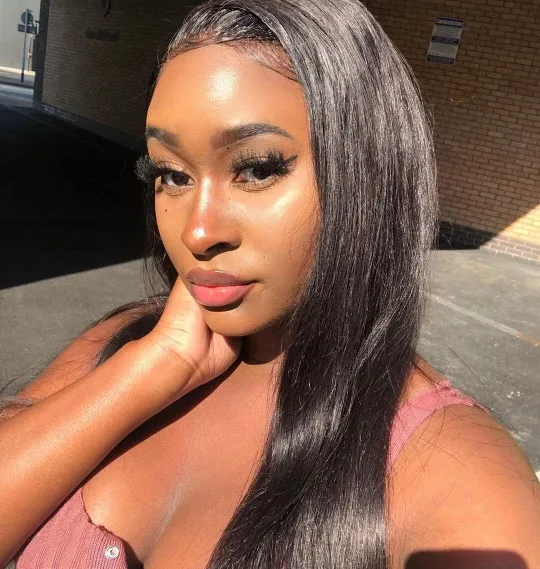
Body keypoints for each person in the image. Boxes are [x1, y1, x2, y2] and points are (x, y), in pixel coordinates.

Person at [1, 1, 539, 568]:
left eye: (256, 168)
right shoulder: (124, 346)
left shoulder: (453, 472)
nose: (197, 232)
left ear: (368, 172)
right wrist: (154, 367)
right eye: (172, 174)